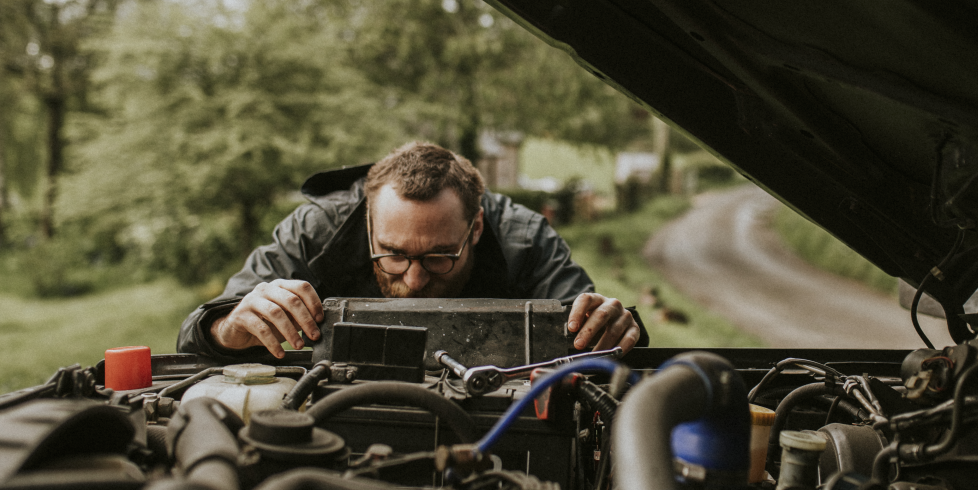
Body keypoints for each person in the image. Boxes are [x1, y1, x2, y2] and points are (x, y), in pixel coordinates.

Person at [177, 141, 643, 362]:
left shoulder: (526, 240)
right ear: (367, 223)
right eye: (393, 254)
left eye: (441, 256)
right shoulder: (315, 230)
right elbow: (197, 337)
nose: (415, 280)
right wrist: (229, 325)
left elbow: (598, 339)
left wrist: (615, 327)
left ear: (476, 227)